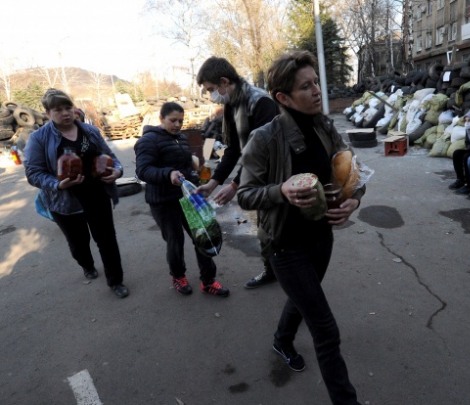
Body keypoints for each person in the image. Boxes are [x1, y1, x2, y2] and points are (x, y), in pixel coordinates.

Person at [237, 50, 365, 405]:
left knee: (303, 297)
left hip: (321, 239)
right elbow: (245, 195)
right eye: (305, 87)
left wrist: (354, 200)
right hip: (285, 245)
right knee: (325, 329)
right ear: (282, 97)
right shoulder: (264, 138)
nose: (316, 91)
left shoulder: (325, 126)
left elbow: (351, 173)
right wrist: (282, 190)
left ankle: (281, 339)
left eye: (316, 83)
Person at [24, 88, 129, 298]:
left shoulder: (90, 131)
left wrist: (117, 170)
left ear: (74, 108)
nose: (65, 113)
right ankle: (87, 264)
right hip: (65, 201)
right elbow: (33, 173)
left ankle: (115, 281)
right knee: (79, 243)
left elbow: (109, 155)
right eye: (58, 110)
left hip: (97, 194)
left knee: (107, 240)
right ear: (48, 114)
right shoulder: (39, 138)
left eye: (68, 107)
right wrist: (57, 184)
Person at [195, 56, 280, 289]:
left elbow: (263, 153)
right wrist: (214, 182)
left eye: (212, 89)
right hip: (257, 178)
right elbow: (233, 149)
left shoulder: (260, 103)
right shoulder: (232, 104)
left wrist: (234, 186)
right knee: (265, 230)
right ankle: (272, 270)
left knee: (280, 230)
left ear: (224, 81)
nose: (211, 94)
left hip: (279, 176)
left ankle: (296, 277)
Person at [134, 102, 229, 297]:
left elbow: (187, 168)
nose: (177, 125)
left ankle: (208, 280)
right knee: (175, 241)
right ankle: (178, 276)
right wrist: (168, 174)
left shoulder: (182, 139)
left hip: (189, 198)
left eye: (180, 121)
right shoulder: (148, 141)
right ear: (161, 119)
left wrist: (199, 185)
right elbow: (143, 171)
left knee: (203, 235)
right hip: (164, 201)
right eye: (173, 120)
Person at [448, 111, 470, 195]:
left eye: (469, 120)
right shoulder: (468, 130)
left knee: (467, 156)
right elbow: (467, 143)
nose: (467, 123)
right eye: (466, 121)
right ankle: (460, 179)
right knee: (457, 153)